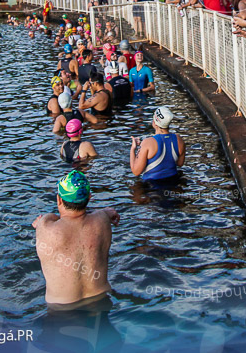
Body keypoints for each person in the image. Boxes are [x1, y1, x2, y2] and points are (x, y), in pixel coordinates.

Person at [32, 171, 119, 306]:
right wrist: (110, 212)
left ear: (59, 199)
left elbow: (48, 218)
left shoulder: (46, 228)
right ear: (89, 198)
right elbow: (104, 213)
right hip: (101, 299)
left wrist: (41, 224)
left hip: (62, 308)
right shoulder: (103, 221)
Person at [130, 107, 184, 183]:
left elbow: (136, 172)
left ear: (155, 122)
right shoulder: (179, 140)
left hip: (152, 186)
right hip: (173, 182)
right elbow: (180, 163)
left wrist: (133, 149)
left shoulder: (147, 142)